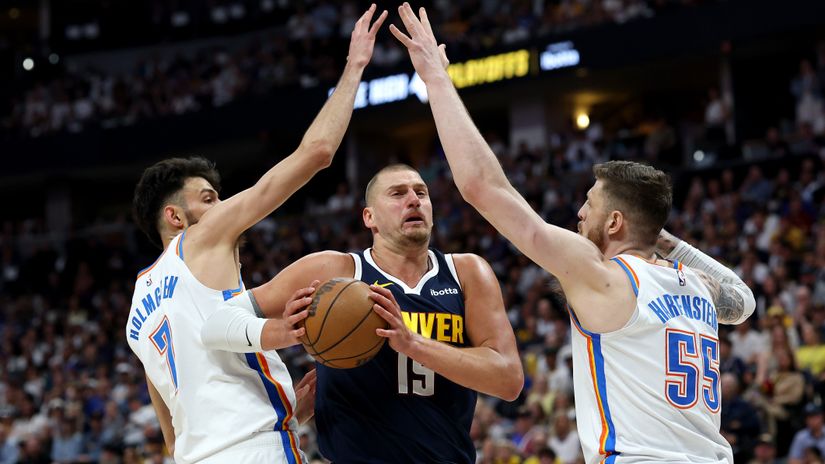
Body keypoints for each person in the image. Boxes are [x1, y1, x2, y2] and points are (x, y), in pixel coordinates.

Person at [389, 3, 756, 462]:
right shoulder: (700, 286)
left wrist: (436, 80)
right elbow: (744, 304)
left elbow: (482, 187)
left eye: (589, 204)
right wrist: (664, 238)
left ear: (615, 222)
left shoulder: (604, 275)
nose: (579, 214)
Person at [125, 5, 388, 463]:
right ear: (175, 216)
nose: (220, 207)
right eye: (207, 198)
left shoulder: (135, 314)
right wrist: (354, 67)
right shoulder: (200, 239)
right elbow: (318, 153)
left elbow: (173, 431)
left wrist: (288, 413)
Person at [208, 164, 523, 463]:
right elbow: (217, 322)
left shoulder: (467, 272)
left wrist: (412, 343)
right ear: (369, 217)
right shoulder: (333, 269)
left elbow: (509, 380)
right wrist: (285, 332)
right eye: (398, 194)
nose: (414, 200)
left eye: (421, 192)